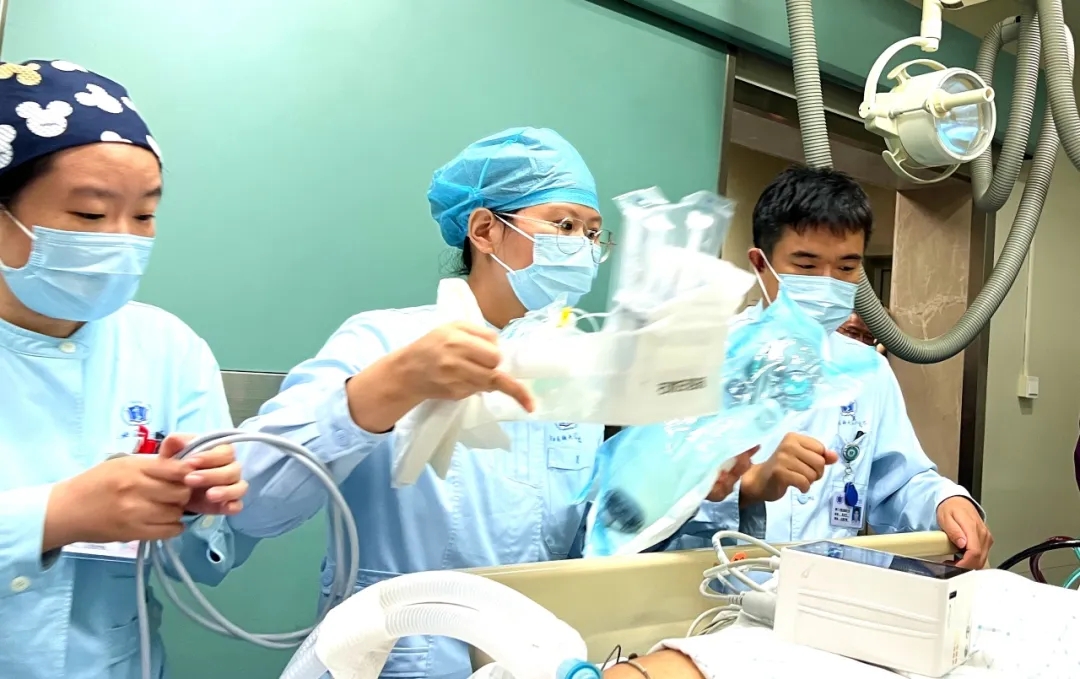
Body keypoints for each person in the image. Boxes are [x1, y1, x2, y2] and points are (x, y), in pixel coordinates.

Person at [224, 127, 748, 679]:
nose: (584, 248)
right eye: (564, 225)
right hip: (392, 661)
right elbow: (254, 503)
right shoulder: (383, 342)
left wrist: (677, 482)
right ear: (484, 231)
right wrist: (389, 387)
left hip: (528, 664)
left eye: (594, 233)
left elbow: (584, 547)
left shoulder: (574, 369)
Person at [0, 60, 249, 679]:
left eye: (143, 216)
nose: (121, 240)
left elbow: (202, 565)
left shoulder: (167, 348)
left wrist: (194, 507)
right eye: (90, 215)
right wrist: (54, 515)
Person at [662, 166, 992, 568]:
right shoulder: (697, 361)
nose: (828, 282)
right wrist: (749, 487)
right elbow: (644, 503)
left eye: (846, 268)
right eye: (806, 266)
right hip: (708, 588)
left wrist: (944, 501)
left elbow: (898, 481)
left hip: (828, 586)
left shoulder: (867, 370)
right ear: (760, 264)